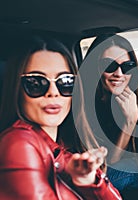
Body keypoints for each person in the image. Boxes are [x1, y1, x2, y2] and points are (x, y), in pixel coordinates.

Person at [0, 35, 122, 200]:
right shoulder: (19, 143)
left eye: (65, 82)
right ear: (17, 88)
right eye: (36, 83)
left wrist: (86, 180)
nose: (53, 92)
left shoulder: (64, 149)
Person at [85, 34, 138, 192]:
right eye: (109, 66)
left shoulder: (135, 99)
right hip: (94, 175)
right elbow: (107, 165)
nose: (119, 73)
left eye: (127, 66)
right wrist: (129, 122)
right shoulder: (86, 104)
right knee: (134, 167)